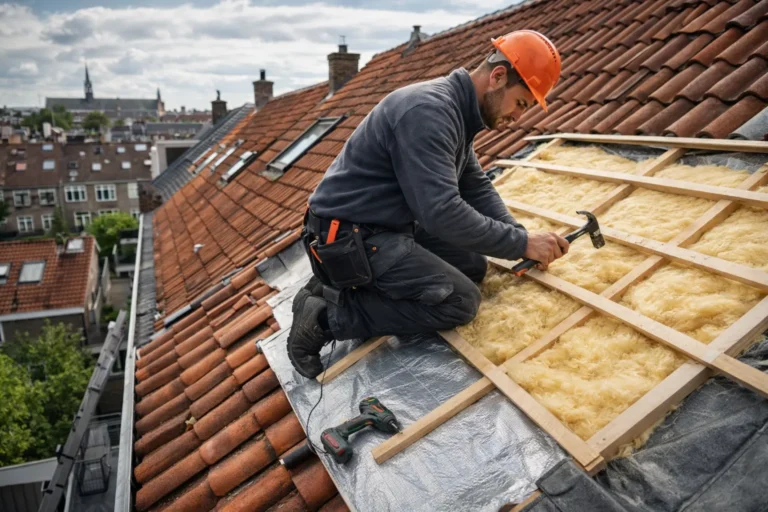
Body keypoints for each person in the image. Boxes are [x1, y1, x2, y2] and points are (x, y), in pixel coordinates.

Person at [288, 30, 569, 378]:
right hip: (346, 236)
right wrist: (522, 244)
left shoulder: (457, 112)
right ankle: (323, 318)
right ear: (497, 77)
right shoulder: (430, 112)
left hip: (385, 225)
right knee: (460, 302)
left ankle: (329, 289)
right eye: (521, 103)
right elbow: (442, 213)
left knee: (473, 267)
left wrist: (519, 235)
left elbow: (475, 186)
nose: (518, 117)